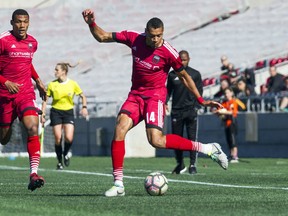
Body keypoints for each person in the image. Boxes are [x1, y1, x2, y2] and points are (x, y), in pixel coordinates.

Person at [82, 8, 228, 197]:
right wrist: (91, 23)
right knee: (119, 128)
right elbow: (102, 37)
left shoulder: (169, 52)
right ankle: (118, 184)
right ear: (146, 32)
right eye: (152, 36)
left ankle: (208, 148)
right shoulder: (134, 38)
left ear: (163, 34)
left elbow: (184, 76)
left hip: (155, 98)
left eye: (159, 36)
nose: (155, 40)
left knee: (156, 141)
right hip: (135, 95)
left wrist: (201, 100)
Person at [0, 9, 47, 191]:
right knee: (4, 139)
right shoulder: (3, 40)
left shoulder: (32, 43)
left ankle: (33, 174)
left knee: (33, 126)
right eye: (18, 22)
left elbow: (28, 63)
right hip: (4, 96)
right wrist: (5, 82)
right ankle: (6, 123)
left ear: (29, 23)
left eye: (25, 22)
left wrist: (38, 80)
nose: (22, 25)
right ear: (12, 23)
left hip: (25, 93)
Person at [41, 62, 88, 170]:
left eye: (57, 70)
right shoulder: (52, 85)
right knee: (58, 138)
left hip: (68, 112)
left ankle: (65, 153)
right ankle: (59, 162)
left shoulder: (73, 84)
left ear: (63, 71)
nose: (55, 72)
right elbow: (45, 100)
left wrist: (84, 107)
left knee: (69, 137)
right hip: (56, 112)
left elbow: (82, 96)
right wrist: (42, 114)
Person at [166, 50, 203, 175]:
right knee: (176, 140)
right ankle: (180, 164)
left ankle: (192, 165)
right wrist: (164, 102)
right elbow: (168, 91)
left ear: (189, 59)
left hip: (191, 111)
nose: (183, 61)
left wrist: (197, 107)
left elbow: (200, 91)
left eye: (185, 59)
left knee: (192, 139)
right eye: (180, 59)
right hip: (176, 111)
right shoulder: (172, 75)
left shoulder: (195, 74)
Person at [214, 87, 239, 163]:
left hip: (232, 123)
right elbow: (219, 111)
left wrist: (222, 112)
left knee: (233, 139)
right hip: (226, 123)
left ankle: (235, 156)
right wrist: (218, 113)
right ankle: (231, 155)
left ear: (231, 93)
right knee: (228, 140)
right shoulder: (224, 103)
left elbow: (233, 112)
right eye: (225, 93)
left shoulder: (233, 102)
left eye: (228, 93)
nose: (226, 94)